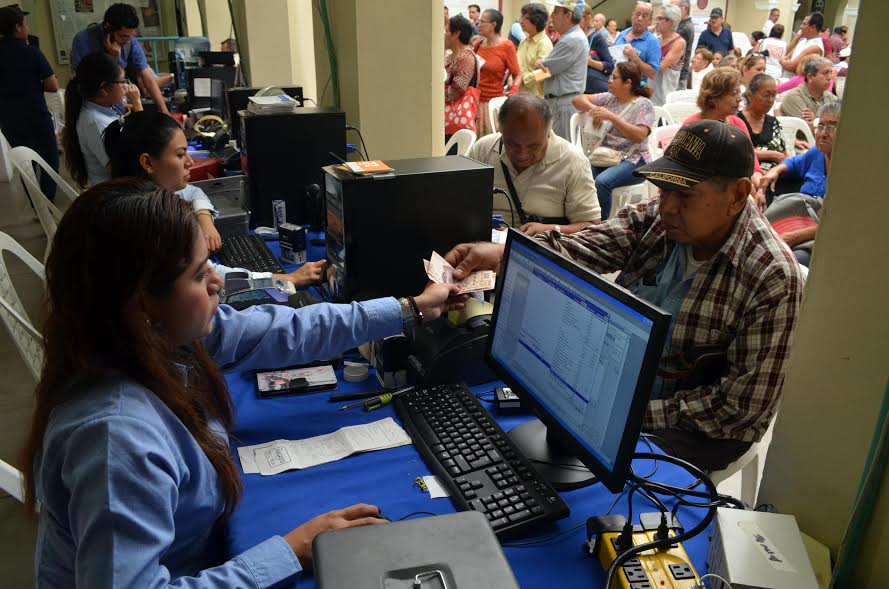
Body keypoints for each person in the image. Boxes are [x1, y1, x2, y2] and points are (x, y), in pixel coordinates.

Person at [23, 178, 464, 587]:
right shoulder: (116, 438)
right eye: (200, 274)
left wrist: (409, 308)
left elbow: (287, 330)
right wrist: (291, 551)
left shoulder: (153, 339)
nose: (218, 281)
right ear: (144, 305)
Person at [446, 119, 803, 471]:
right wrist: (502, 254)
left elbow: (738, 410)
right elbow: (582, 248)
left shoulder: (771, 277)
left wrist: (617, 416)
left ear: (737, 195)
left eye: (685, 195)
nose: (667, 207)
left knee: (600, 485)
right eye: (664, 190)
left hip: (692, 427)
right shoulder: (659, 219)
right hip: (618, 389)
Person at [103, 111, 327, 290]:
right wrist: (286, 280)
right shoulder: (157, 224)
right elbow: (215, 276)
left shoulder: (130, 201)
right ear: (148, 163)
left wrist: (203, 216)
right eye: (180, 155)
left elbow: (193, 192)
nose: (190, 162)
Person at [466, 93, 601, 235]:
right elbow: (462, 204)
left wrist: (551, 230)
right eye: (512, 144)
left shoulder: (573, 162)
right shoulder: (483, 150)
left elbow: (591, 227)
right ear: (501, 130)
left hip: (541, 247)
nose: (522, 154)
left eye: (533, 146)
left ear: (548, 133)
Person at [573, 61, 654, 219]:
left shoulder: (644, 105)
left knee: (602, 182)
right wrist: (595, 110)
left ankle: (600, 225)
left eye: (614, 78)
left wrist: (611, 117)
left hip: (635, 160)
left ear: (628, 83)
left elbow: (639, 135)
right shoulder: (609, 98)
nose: (609, 81)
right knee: (580, 176)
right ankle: (583, 219)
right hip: (606, 156)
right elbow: (577, 99)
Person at [0, 4, 60, 199]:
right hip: (35, 115)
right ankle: (48, 200)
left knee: (25, 163)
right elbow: (52, 85)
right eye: (25, 24)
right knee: (49, 159)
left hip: (8, 119)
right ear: (18, 27)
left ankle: (36, 204)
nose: (27, 28)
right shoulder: (32, 52)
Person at [683, 67, 765, 208]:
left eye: (739, 92)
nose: (740, 98)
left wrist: (760, 185)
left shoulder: (737, 123)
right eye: (734, 93)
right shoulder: (693, 126)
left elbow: (752, 164)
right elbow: (683, 172)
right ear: (714, 98)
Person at [62, 51, 143, 188]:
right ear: (104, 89)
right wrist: (137, 103)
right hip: (113, 191)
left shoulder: (99, 106)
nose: (126, 85)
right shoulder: (95, 122)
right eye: (122, 81)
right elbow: (121, 169)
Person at [71, 3, 169, 115]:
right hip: (93, 108)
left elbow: (148, 80)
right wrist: (114, 59)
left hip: (116, 104)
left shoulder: (130, 41)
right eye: (123, 36)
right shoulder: (83, 40)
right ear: (107, 27)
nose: (128, 41)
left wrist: (164, 112)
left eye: (131, 35)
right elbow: (89, 83)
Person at [763, 101, 840, 200]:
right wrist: (775, 170)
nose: (823, 134)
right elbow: (794, 163)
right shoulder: (817, 153)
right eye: (820, 126)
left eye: (831, 128)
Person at [535, 0, 589, 141]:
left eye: (556, 11)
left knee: (560, 149)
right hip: (562, 103)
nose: (551, 16)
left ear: (568, 15)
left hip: (563, 105)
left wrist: (539, 63)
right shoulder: (572, 37)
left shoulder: (571, 40)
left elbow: (543, 71)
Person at [474, 8, 520, 136]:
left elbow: (517, 74)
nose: (478, 24)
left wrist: (513, 90)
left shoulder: (507, 46)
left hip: (493, 103)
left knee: (492, 140)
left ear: (493, 25)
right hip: (475, 102)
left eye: (482, 21)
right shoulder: (478, 44)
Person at [737, 74, 787, 176]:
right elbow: (738, 152)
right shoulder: (736, 121)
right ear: (750, 95)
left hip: (776, 176)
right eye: (766, 95)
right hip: (748, 175)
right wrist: (773, 155)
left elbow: (784, 154)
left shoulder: (774, 122)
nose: (770, 100)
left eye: (774, 95)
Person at [776, 57, 836, 131]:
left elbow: (839, 126)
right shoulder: (794, 97)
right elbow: (806, 129)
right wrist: (823, 121)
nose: (830, 77)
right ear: (810, 77)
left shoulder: (831, 98)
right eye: (825, 73)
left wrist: (816, 119)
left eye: (831, 73)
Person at [444, 15, 478, 136]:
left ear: (456, 34)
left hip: (455, 123)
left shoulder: (466, 57)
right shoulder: (450, 56)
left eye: (447, 31)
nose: (444, 35)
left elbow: (456, 91)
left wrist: (434, 93)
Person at [613, 2, 661, 83]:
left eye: (644, 16)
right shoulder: (622, 34)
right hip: (615, 84)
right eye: (637, 14)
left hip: (635, 88)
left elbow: (653, 74)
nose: (639, 18)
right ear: (632, 16)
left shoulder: (653, 42)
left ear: (650, 20)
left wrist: (635, 58)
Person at [650, 4, 686, 106]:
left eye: (660, 18)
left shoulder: (679, 43)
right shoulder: (656, 39)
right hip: (651, 92)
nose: (656, 21)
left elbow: (660, 67)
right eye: (656, 18)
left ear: (672, 21)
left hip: (664, 97)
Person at [515, 3, 552, 98]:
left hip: (535, 96)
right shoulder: (524, 41)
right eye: (521, 17)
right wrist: (512, 78)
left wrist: (523, 79)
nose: (521, 21)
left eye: (526, 18)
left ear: (537, 21)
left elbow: (544, 72)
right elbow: (517, 65)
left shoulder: (544, 43)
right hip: (519, 92)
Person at [779, 11, 825, 80]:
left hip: (795, 84)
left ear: (813, 27)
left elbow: (791, 66)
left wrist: (784, 61)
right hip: (785, 80)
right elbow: (786, 55)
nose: (801, 26)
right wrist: (797, 37)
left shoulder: (815, 47)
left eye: (804, 24)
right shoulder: (803, 40)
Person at [581, 4, 615, 94]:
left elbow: (610, 66)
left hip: (592, 90)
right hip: (576, 88)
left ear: (587, 18)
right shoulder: (571, 37)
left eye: (578, 16)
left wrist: (590, 62)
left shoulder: (596, 37)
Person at [671, 0, 694, 91]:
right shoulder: (680, 25)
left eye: (674, 8)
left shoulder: (685, 28)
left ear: (685, 9)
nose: (671, 12)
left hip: (678, 76)